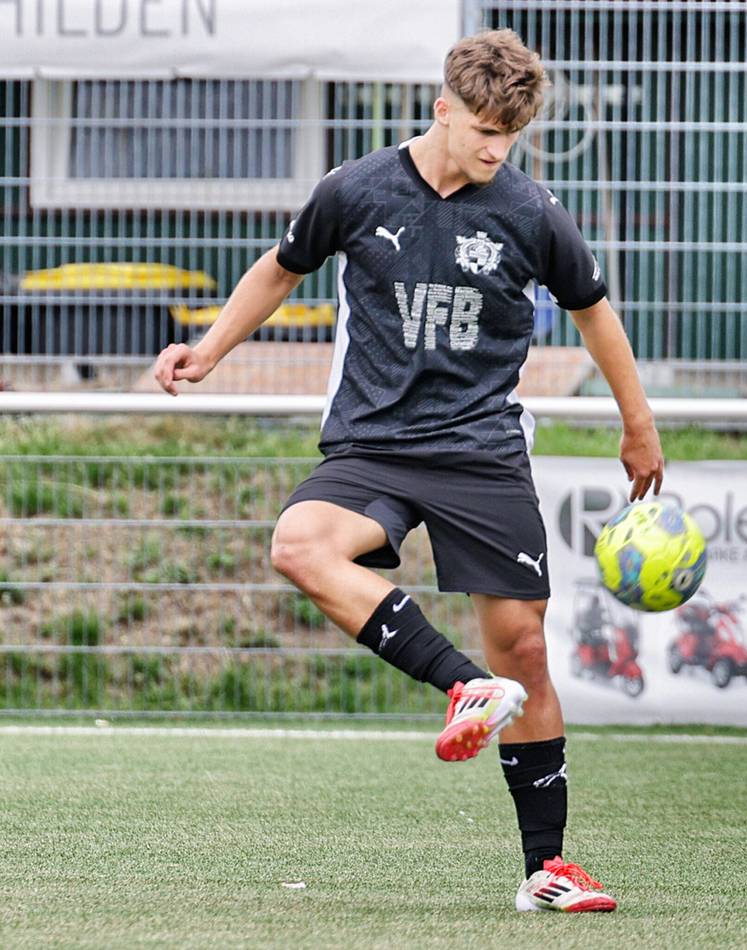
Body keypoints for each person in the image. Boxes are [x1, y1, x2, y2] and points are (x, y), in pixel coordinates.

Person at [154, 28, 663, 914]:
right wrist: (210, 351)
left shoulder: (533, 210)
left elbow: (595, 314)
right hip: (373, 444)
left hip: (482, 452)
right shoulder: (355, 190)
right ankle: (460, 684)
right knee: (300, 546)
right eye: (483, 129)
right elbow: (280, 272)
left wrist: (639, 424)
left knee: (528, 652)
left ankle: (548, 868)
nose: (496, 148)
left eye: (512, 134)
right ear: (443, 108)